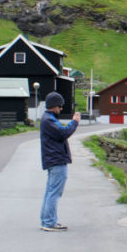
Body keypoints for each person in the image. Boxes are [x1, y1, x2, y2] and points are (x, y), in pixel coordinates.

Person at [39, 91, 81, 232]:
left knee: (50, 191)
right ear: (54, 106)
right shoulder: (49, 120)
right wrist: (75, 121)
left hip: (52, 160)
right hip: (56, 160)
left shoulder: (48, 118)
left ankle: (46, 220)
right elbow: (63, 133)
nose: (61, 109)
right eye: (60, 106)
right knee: (54, 193)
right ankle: (49, 222)